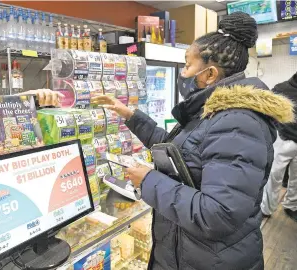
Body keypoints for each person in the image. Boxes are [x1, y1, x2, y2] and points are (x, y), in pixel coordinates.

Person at [92, 12, 294, 270]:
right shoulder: (215, 112)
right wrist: (131, 116)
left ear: (209, 74)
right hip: (190, 253)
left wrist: (149, 181)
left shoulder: (238, 122)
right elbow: (180, 153)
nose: (183, 73)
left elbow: (217, 214)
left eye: (187, 65)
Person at [261, 72, 297, 221]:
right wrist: (279, 129)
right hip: (283, 141)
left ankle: (291, 206)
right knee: (273, 176)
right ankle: (267, 208)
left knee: (296, 178)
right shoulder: (280, 88)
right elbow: (268, 111)